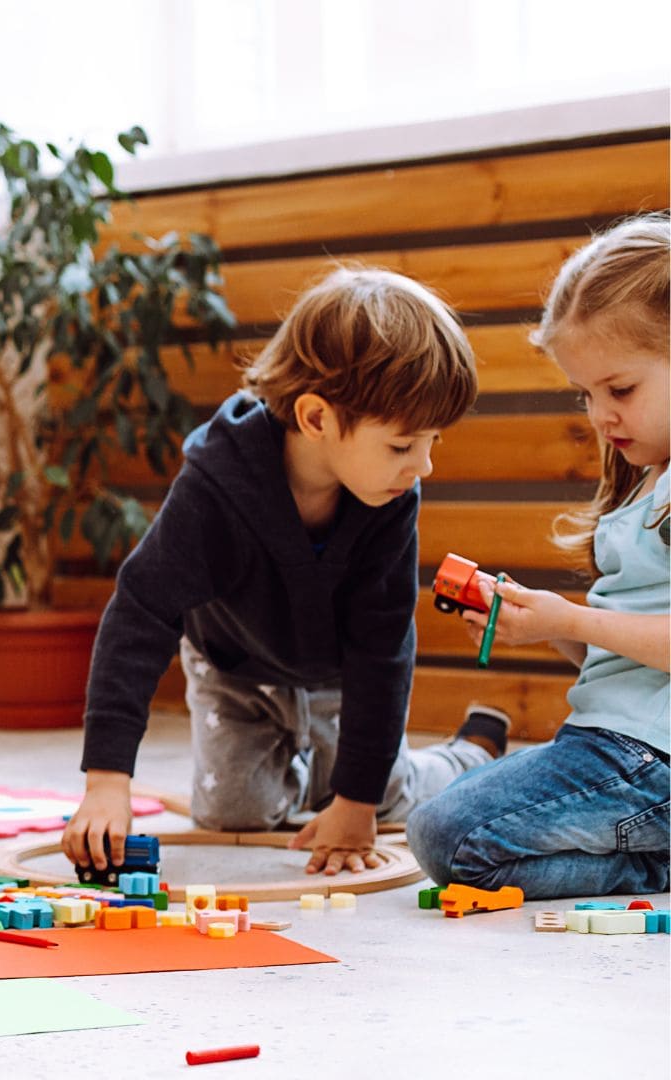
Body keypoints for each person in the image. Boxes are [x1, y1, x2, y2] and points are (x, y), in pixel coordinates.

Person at [62, 267, 507, 876]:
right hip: (233, 667)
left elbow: (383, 651)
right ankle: (306, 777)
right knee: (233, 814)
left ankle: (466, 754)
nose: (422, 466)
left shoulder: (391, 496)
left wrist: (356, 803)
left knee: (386, 795)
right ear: (317, 418)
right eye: (403, 446)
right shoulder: (216, 486)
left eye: (433, 443)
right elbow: (140, 613)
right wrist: (106, 782)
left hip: (334, 675)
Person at [408, 215, 670, 899]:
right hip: (616, 741)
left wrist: (573, 618)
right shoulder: (642, 480)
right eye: (585, 395)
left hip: (650, 757)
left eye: (620, 390)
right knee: (444, 824)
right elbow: (625, 661)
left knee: (446, 835)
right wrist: (546, 624)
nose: (600, 416)